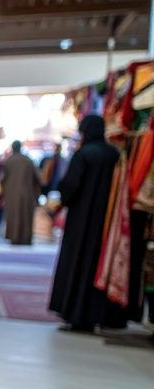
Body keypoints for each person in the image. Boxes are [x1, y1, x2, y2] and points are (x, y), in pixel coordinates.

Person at [49, 115, 122, 332]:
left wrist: (61, 201)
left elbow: (71, 185)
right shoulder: (114, 154)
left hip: (82, 219)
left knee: (78, 263)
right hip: (108, 221)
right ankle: (102, 315)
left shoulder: (84, 154)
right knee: (101, 263)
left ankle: (77, 315)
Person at [0, 141, 42, 245]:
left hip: (11, 194)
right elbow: (38, 179)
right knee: (25, 216)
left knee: (13, 215)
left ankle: (14, 237)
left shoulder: (9, 161)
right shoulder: (28, 160)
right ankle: (25, 238)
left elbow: (2, 178)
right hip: (28, 193)